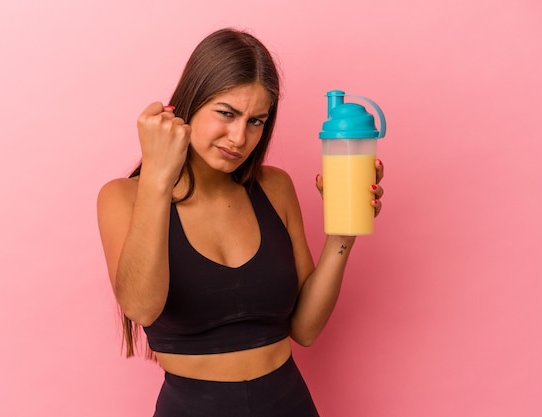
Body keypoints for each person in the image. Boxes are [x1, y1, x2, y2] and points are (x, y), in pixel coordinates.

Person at [97, 28, 384, 417]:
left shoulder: (274, 187)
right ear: (190, 102)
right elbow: (141, 308)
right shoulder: (124, 197)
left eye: (256, 121)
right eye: (227, 113)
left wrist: (343, 235)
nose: (239, 137)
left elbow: (305, 330)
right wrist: (158, 178)